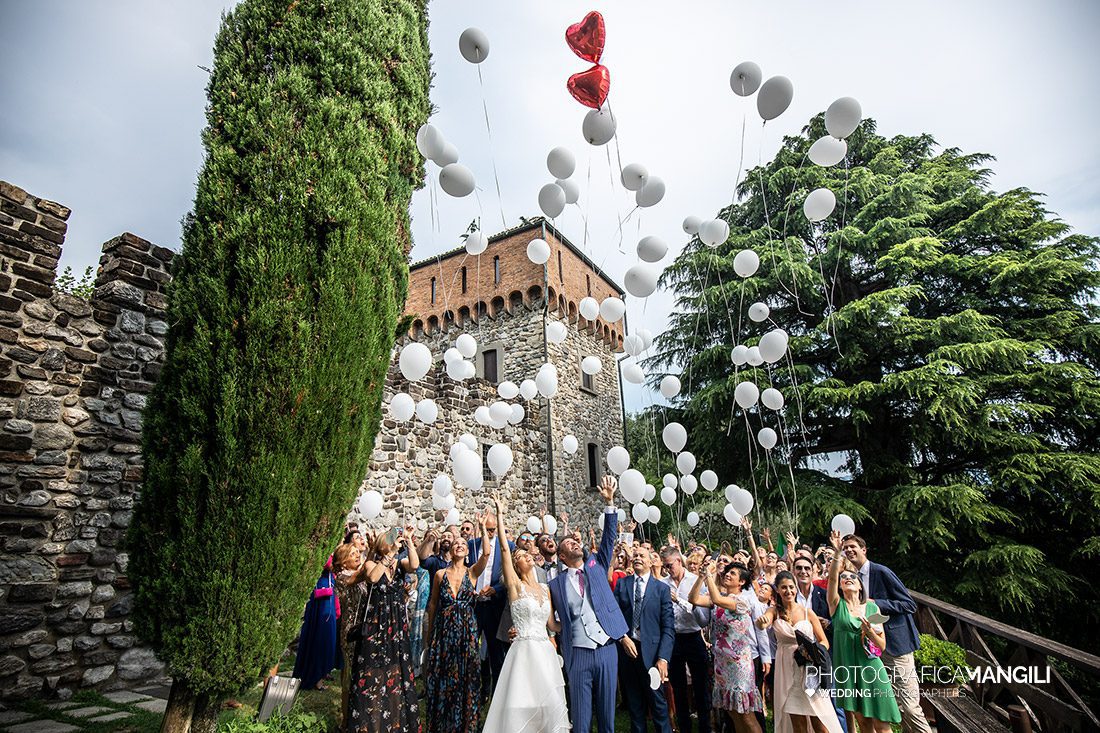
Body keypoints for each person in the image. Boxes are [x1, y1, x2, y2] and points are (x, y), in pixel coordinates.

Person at [547, 475, 632, 733]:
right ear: (562, 556)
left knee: (607, 719)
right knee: (581, 721)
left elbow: (608, 538)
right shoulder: (555, 584)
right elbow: (551, 619)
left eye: (576, 541)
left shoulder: (596, 564)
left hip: (606, 648)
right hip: (578, 653)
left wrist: (610, 503)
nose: (576, 542)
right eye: (570, 543)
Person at [482, 494, 570, 732]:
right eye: (520, 556)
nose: (526, 556)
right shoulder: (515, 586)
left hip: (544, 651)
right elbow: (503, 547)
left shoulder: (544, 588)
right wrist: (500, 514)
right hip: (523, 650)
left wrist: (574, 624)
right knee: (521, 704)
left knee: (548, 704)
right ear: (516, 564)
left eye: (527, 554)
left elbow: (552, 624)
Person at [835, 533, 918, 732]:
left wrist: (876, 603)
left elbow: (909, 604)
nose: (849, 550)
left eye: (853, 546)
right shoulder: (850, 578)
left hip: (895, 647)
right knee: (872, 711)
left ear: (864, 549)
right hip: (867, 655)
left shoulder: (881, 572)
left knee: (909, 707)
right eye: (845, 548)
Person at [346, 528, 420, 733]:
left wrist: (410, 543)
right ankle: (370, 722)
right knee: (372, 668)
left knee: (397, 668)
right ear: (381, 544)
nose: (395, 541)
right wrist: (389, 555)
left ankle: (395, 721)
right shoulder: (371, 563)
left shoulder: (400, 564)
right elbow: (373, 577)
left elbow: (415, 565)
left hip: (396, 624)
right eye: (391, 539)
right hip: (377, 624)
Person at [424, 517, 491, 733]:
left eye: (463, 543)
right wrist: (430, 634)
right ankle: (443, 724)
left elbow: (487, 554)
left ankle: (464, 724)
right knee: (444, 675)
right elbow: (433, 604)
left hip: (466, 632)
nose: (459, 545)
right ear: (451, 551)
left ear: (467, 551)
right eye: (456, 544)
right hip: (444, 632)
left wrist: (482, 528)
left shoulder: (471, 573)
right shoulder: (440, 574)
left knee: (465, 676)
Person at [756, 571, 842, 733]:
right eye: (783, 588)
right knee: (798, 725)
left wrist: (814, 650)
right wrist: (762, 622)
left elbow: (824, 641)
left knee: (820, 723)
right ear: (777, 590)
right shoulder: (774, 612)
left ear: (796, 589)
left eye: (791, 587)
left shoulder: (807, 612)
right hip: (787, 670)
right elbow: (763, 622)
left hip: (809, 669)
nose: (788, 591)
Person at [689, 561, 762, 733]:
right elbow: (693, 598)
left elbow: (716, 599)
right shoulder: (720, 598)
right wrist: (701, 577)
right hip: (721, 662)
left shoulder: (743, 601)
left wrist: (708, 575)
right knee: (731, 710)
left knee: (744, 712)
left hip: (738, 665)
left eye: (733, 574)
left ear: (742, 582)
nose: (727, 575)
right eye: (727, 572)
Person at [614, 545, 675, 733]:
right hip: (628, 652)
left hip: (653, 654)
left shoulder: (661, 589)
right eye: (635, 555)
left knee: (658, 703)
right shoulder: (622, 584)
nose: (638, 557)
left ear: (650, 561)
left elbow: (668, 627)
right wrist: (623, 638)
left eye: (642, 555)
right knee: (634, 704)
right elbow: (614, 615)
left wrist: (663, 658)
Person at [793, 555, 848, 733]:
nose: (803, 572)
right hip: (799, 655)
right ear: (794, 571)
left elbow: (840, 621)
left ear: (813, 571)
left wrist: (829, 625)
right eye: (799, 568)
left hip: (825, 653)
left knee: (831, 698)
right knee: (806, 699)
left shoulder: (823, 595)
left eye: (807, 568)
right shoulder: (789, 598)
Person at [661, 547, 713, 733]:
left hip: (693, 636)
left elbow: (703, 618)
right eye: (665, 566)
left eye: (670, 565)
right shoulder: (663, 583)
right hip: (673, 638)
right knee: (678, 687)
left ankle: (705, 727)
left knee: (701, 686)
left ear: (679, 561)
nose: (668, 569)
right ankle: (684, 728)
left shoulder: (695, 581)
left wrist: (679, 601)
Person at [292, 554, 342, 691]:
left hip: (328, 594)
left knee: (324, 636)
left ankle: (319, 674)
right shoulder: (326, 549)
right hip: (322, 596)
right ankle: (315, 676)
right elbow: (327, 564)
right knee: (321, 635)